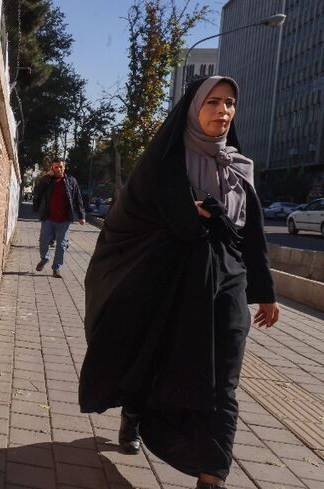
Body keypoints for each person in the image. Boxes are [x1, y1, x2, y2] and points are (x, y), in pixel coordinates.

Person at [78, 76, 279, 489]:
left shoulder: (240, 166)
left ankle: (212, 477)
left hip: (228, 286)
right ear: (193, 108)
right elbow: (131, 218)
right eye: (214, 103)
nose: (223, 111)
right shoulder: (167, 161)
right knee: (154, 362)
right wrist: (183, 209)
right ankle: (133, 414)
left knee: (223, 380)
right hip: (169, 285)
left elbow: (251, 233)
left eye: (230, 104)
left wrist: (265, 293)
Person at [31, 158, 86, 278]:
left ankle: (56, 268)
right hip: (48, 217)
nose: (59, 169)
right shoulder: (47, 180)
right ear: (52, 168)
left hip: (64, 219)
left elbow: (78, 199)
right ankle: (44, 259)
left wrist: (81, 216)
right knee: (43, 241)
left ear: (64, 167)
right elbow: (37, 191)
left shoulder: (71, 181)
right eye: (56, 167)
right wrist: (45, 177)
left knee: (62, 244)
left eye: (60, 166)